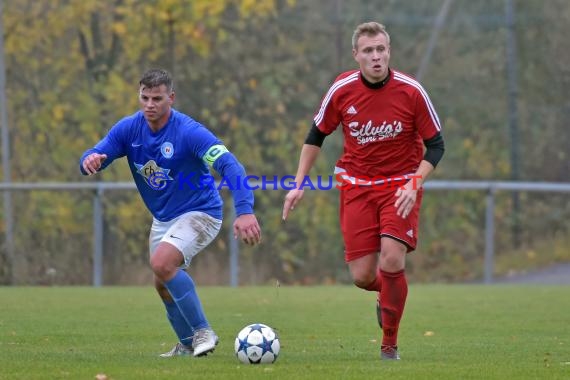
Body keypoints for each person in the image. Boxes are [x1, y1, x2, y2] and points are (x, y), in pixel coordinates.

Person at [282, 22, 444, 360]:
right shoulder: (341, 90)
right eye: (368, 50)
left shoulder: (411, 91)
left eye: (381, 49)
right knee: (362, 276)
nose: (376, 56)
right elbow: (315, 137)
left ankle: (389, 345)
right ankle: (387, 294)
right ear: (356, 55)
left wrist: (415, 183)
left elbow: (437, 146)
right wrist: (298, 184)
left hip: (400, 185)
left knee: (392, 258)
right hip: (356, 187)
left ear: (389, 52)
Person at [80, 68, 261, 358]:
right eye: (145, 97)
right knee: (162, 284)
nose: (150, 104)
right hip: (164, 218)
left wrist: (244, 210)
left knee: (162, 263)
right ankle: (188, 345)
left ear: (171, 98)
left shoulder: (189, 132)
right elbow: (97, 152)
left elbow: (230, 165)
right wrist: (91, 160)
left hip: (201, 212)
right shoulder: (129, 129)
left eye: (157, 98)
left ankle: (204, 331)